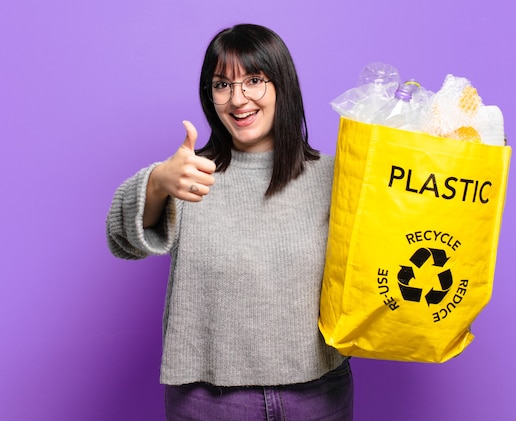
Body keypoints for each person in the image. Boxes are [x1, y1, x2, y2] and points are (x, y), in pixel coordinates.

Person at [106, 23, 353, 420]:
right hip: (208, 401)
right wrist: (156, 183)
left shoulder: (335, 176)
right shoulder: (189, 173)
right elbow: (122, 238)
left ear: (282, 85)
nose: (238, 99)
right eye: (222, 85)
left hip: (318, 393)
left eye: (254, 80)